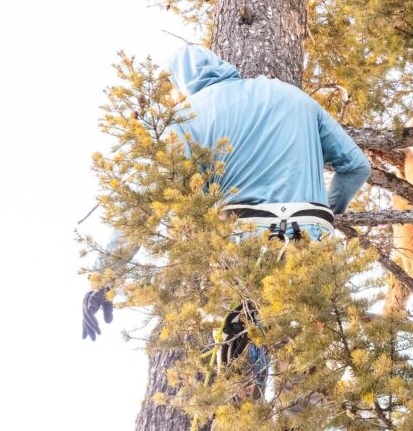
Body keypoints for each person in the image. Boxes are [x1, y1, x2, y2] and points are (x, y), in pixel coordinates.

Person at [81, 45, 371, 397]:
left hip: (246, 250)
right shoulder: (293, 96)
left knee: (240, 374)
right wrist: (323, 214)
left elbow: (141, 206)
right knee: (305, 370)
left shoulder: (189, 117)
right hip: (312, 246)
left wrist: (105, 279)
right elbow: (357, 167)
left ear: (183, 82)